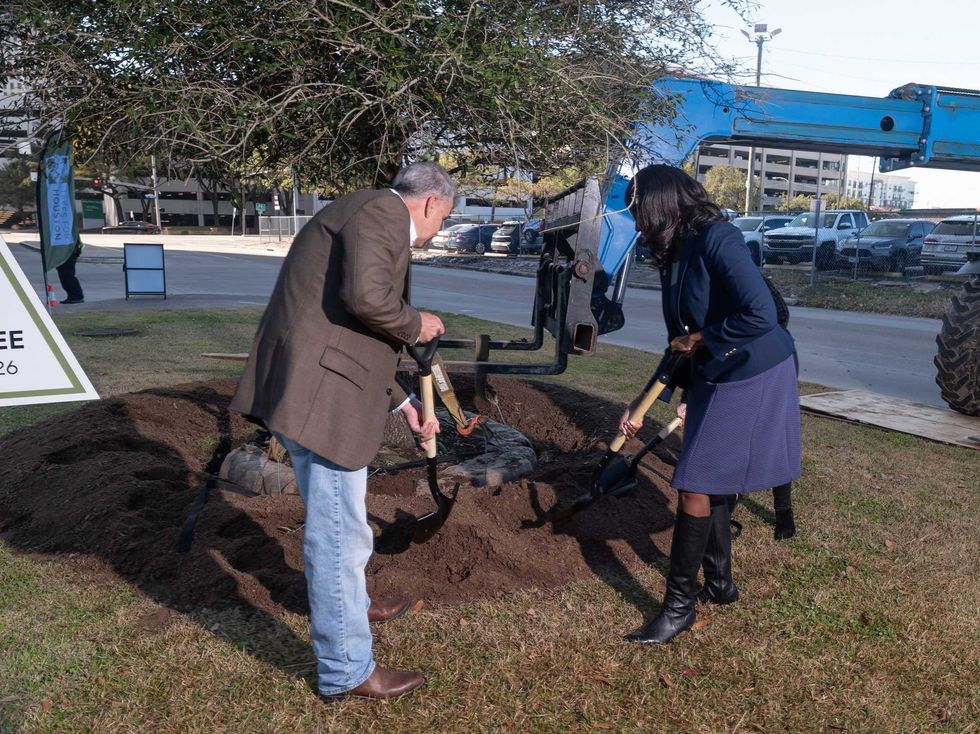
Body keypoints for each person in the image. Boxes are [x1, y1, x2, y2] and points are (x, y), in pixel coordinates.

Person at [230, 162, 456, 700]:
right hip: (320, 401)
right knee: (338, 537)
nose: (437, 232)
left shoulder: (357, 210)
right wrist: (415, 322)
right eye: (442, 220)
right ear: (430, 203)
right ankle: (347, 669)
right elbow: (368, 300)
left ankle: (351, 608)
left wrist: (404, 404)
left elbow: (347, 332)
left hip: (316, 390)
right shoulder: (383, 210)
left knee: (343, 529)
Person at [619, 164, 801, 645]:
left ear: (661, 204)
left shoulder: (718, 237)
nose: (635, 218)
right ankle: (719, 584)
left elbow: (761, 313)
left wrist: (702, 338)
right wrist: (644, 400)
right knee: (708, 478)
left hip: (753, 369)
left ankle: (677, 609)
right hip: (715, 368)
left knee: (695, 483)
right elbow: (678, 340)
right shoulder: (672, 251)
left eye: (638, 208)